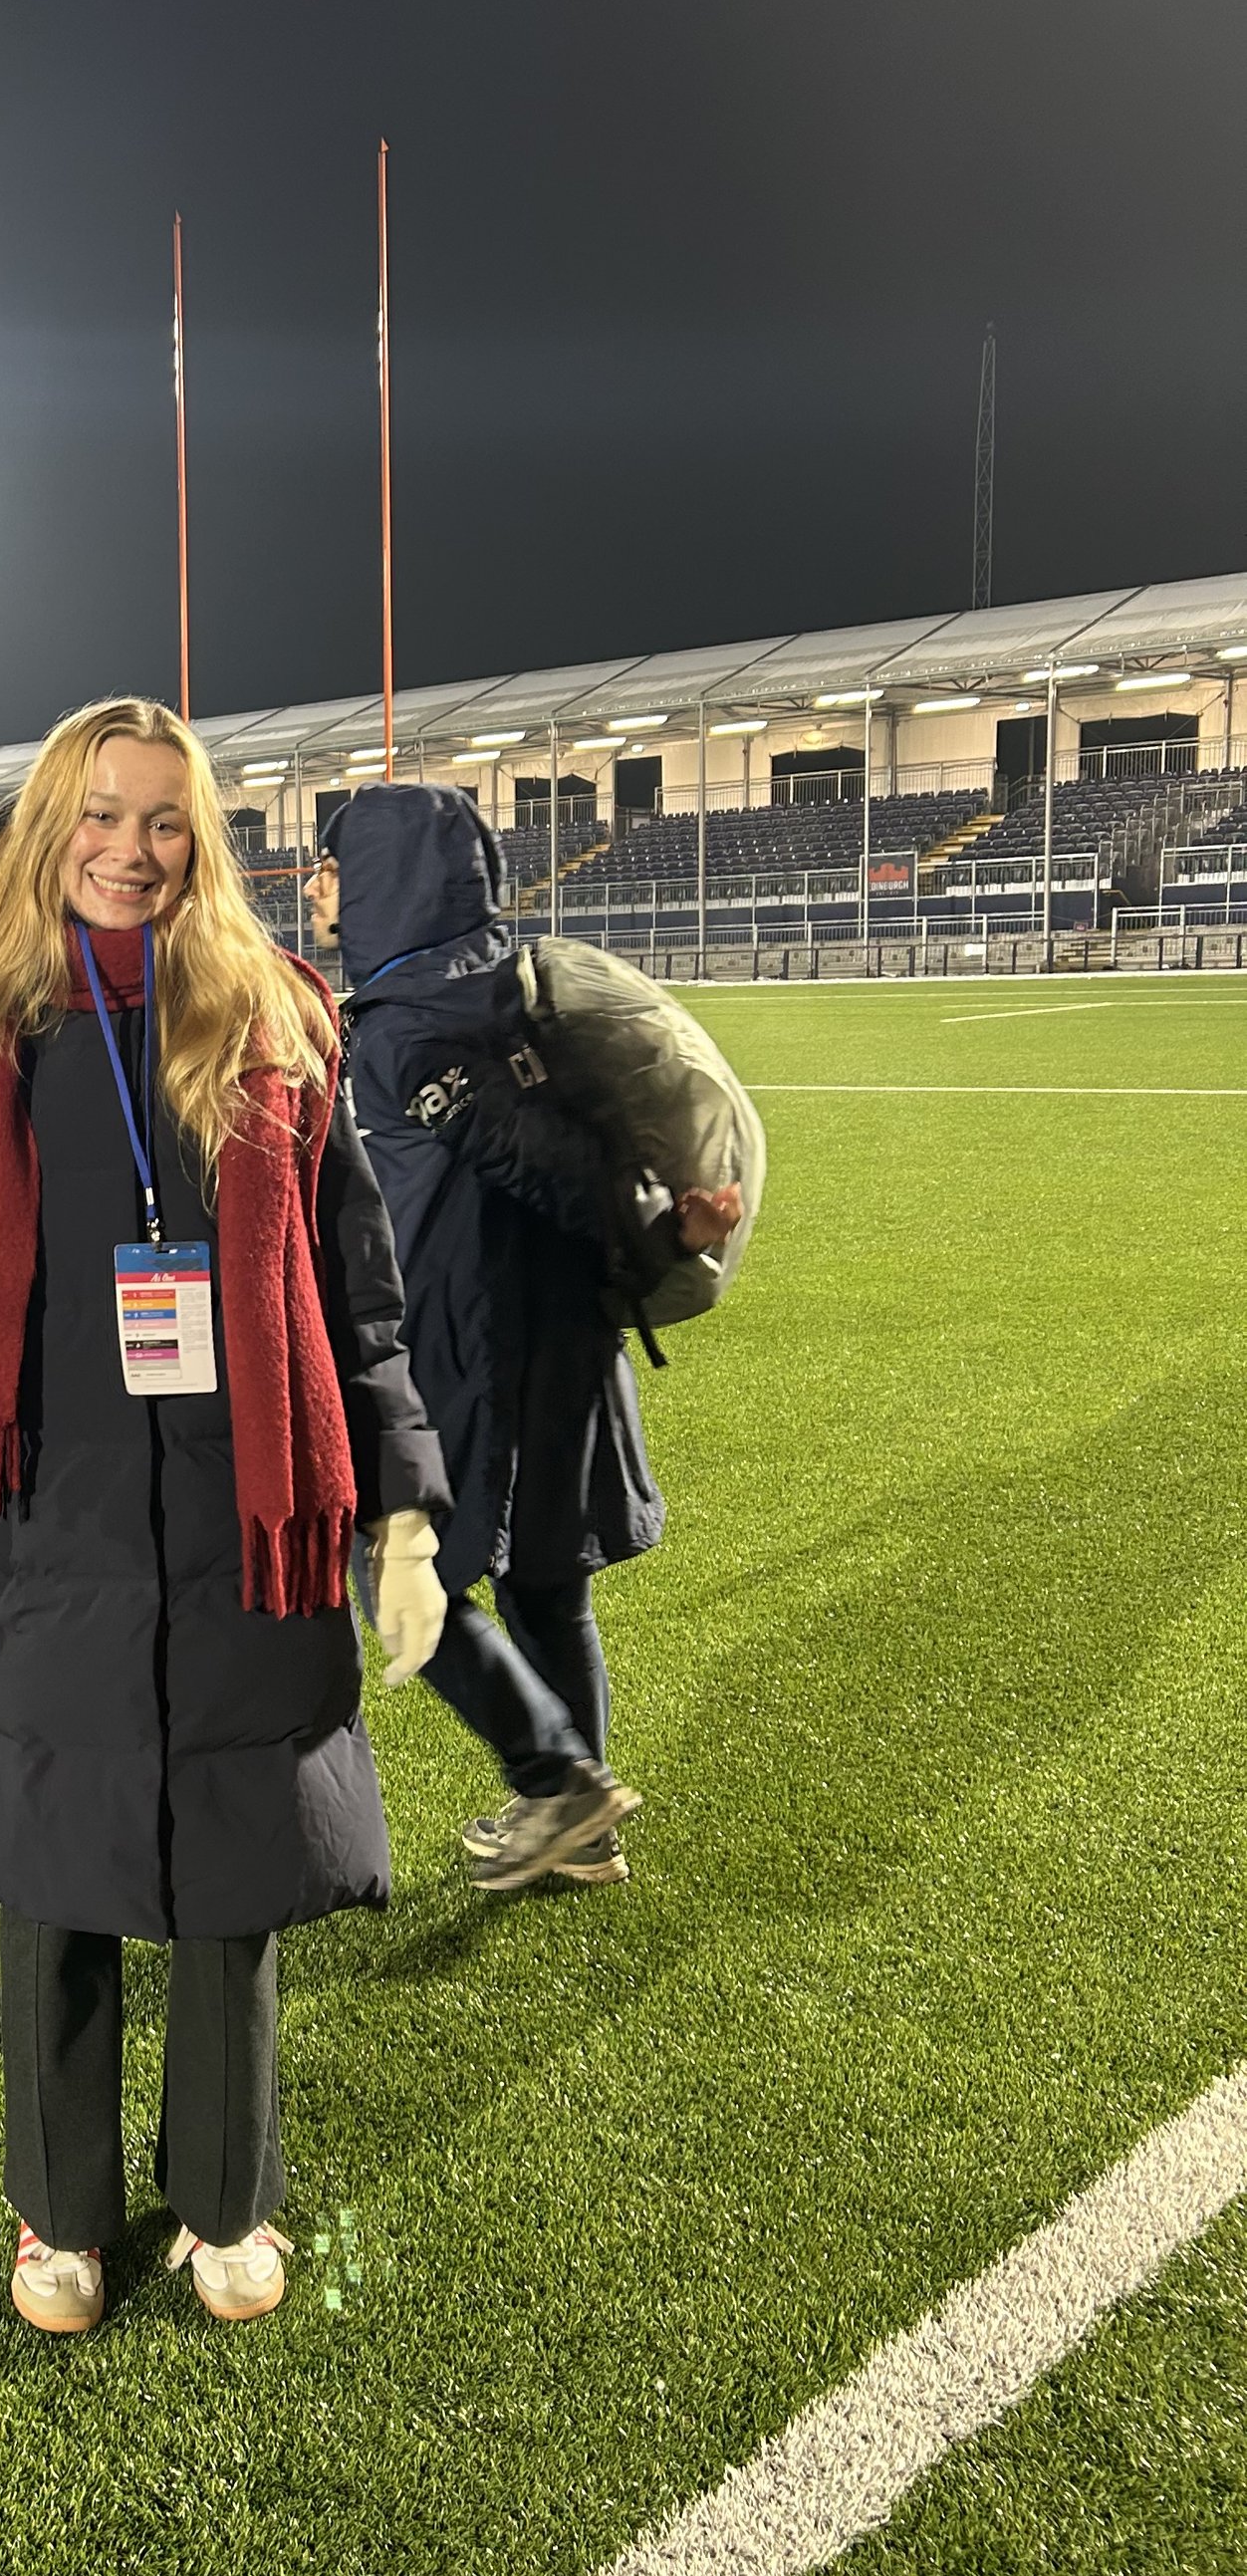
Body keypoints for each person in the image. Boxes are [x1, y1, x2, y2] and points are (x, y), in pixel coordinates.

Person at [0, 698, 450, 2338]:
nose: (129, 849)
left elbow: (360, 1293)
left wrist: (406, 1515)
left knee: (232, 1886)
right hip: (57, 1515)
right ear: (45, 830)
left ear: (201, 835)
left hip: (251, 1519)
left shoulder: (279, 1019)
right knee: (55, 1878)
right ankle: (57, 2211)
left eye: (163, 818)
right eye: (99, 815)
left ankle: (229, 2196)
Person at [311, 788, 740, 1891]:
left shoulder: (414, 1022)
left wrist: (650, 1232)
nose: (317, 889)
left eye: (331, 869)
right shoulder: (506, 987)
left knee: (398, 1570)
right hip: (564, 1326)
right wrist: (647, 1244)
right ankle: (580, 1826)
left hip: (474, 1341)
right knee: (546, 1579)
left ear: (384, 880)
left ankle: (556, 1782)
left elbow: (534, 1157)